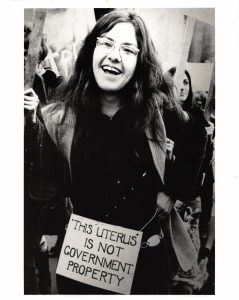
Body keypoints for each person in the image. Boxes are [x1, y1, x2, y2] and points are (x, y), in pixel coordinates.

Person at [24, 10, 201, 295]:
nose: (115, 55)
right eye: (106, 43)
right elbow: (48, 185)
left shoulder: (158, 110)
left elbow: (196, 137)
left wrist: (172, 191)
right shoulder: (61, 116)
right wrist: (31, 128)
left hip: (145, 264)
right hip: (84, 262)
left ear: (139, 61)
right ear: (91, 49)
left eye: (128, 49)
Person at [24, 26, 66, 294]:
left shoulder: (45, 87)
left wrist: (33, 117)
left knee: (31, 251)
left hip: (34, 192)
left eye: (27, 57)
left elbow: (51, 143)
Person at [166, 68, 210, 294]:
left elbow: (197, 167)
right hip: (160, 201)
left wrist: (176, 154)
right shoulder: (160, 115)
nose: (182, 87)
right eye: (176, 82)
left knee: (184, 271)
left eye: (186, 82)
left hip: (187, 200)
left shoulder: (196, 118)